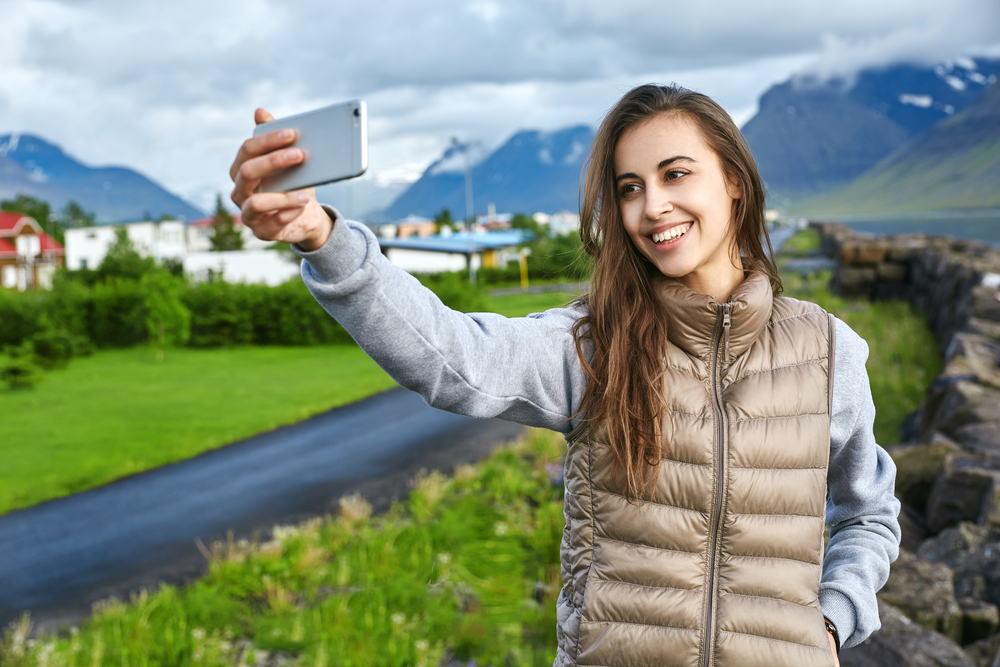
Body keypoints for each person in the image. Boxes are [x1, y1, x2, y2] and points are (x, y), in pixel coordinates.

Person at [230, 84, 900, 667]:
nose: (652, 207)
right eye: (629, 188)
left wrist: (830, 619)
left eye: (675, 175)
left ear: (733, 180)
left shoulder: (828, 350)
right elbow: (450, 355)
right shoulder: (595, 345)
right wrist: (321, 235)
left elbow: (868, 513)